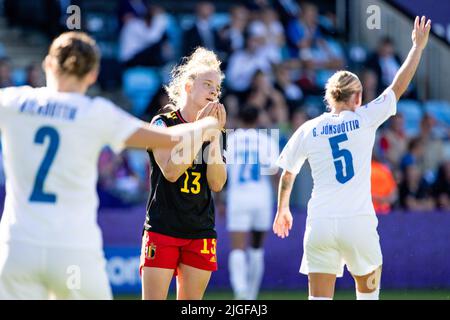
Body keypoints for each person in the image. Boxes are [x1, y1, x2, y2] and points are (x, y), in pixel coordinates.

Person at [0, 32, 221, 300]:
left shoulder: (13, 102)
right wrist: (207, 126)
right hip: (74, 248)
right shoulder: (96, 112)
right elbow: (170, 139)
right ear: (93, 75)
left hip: (18, 245)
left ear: (48, 64)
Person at [273, 17, 431, 300]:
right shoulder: (365, 118)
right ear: (357, 98)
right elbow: (397, 86)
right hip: (357, 221)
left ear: (329, 97)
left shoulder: (309, 128)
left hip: (320, 220)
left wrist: (282, 210)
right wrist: (417, 48)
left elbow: (287, 173)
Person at [140, 47, 227, 300]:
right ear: (188, 87)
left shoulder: (216, 129)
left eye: (217, 88)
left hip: (200, 230)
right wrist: (202, 130)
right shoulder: (163, 123)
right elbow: (170, 171)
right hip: (163, 227)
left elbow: (217, 183)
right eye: (207, 84)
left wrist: (213, 137)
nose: (213, 92)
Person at [226, 106, 279, 300]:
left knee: (237, 247)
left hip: (238, 197)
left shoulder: (230, 140)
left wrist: (219, 199)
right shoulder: (266, 141)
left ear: (239, 119)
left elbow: (219, 173)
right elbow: (275, 172)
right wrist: (281, 201)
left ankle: (240, 291)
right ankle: (252, 294)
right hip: (261, 198)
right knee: (256, 247)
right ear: (258, 119)